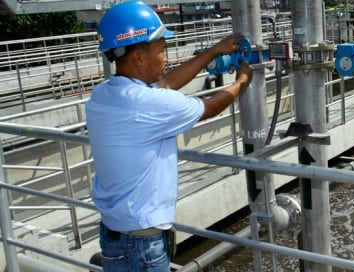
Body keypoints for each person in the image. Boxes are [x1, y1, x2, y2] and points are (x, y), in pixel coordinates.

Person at [85, 1, 252, 271]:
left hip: (118, 235)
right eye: (162, 50)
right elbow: (209, 108)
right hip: (141, 243)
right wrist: (242, 81)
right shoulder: (145, 104)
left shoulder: (105, 93)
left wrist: (214, 52)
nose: (166, 58)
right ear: (139, 58)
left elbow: (165, 84)